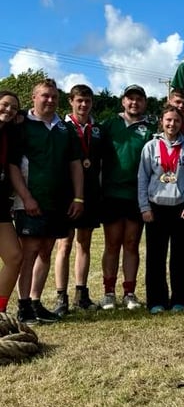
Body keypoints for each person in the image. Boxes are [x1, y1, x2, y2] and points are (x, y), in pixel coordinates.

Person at [9, 78, 84, 324]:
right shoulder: (21, 125)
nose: (50, 100)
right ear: (33, 97)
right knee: (29, 251)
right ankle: (23, 307)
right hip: (30, 200)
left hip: (58, 201)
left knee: (46, 251)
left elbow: (75, 164)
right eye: (45, 96)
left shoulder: (65, 128)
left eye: (54, 96)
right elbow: (12, 166)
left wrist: (78, 197)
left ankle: (36, 302)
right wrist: (26, 197)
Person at [138, 105, 184, 314]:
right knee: (155, 256)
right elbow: (142, 178)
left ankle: (180, 299)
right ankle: (156, 300)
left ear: (182, 123)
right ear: (161, 121)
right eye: (168, 120)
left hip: (181, 208)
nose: (172, 124)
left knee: (181, 257)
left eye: (176, 120)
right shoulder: (150, 147)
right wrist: (144, 206)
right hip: (155, 208)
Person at [99, 84, 157, 310]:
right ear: (123, 101)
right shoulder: (109, 125)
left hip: (138, 195)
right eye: (130, 98)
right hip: (112, 193)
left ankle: (129, 292)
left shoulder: (151, 128)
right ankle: (108, 292)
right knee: (112, 244)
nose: (134, 103)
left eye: (139, 99)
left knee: (131, 243)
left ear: (145, 103)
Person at [53, 84, 104, 314]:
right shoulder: (61, 127)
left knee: (85, 242)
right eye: (79, 101)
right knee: (64, 243)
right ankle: (60, 296)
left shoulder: (97, 129)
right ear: (71, 101)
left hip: (90, 193)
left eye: (88, 101)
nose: (83, 105)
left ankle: (81, 293)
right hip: (66, 193)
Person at [0, 90, 22, 314]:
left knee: (14, 256)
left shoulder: (9, 133)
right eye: (4, 105)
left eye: (13, 108)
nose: (8, 110)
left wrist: (20, 114)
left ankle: (0, 312)